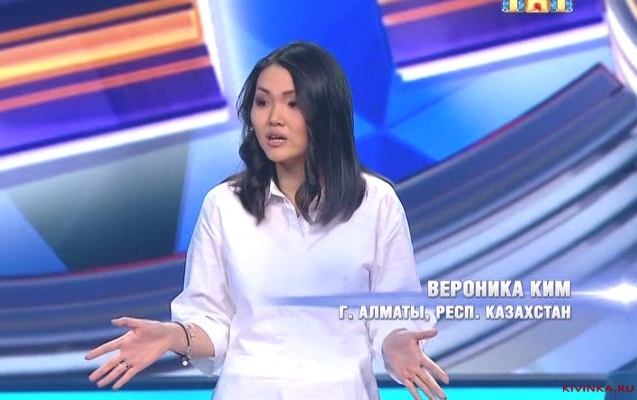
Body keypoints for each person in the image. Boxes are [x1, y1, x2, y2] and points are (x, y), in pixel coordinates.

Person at [85, 41, 448, 400]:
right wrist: (172, 336)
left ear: (326, 111)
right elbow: (211, 320)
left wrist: (397, 342)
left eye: (293, 103)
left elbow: (394, 313)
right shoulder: (224, 205)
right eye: (262, 102)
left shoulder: (375, 203)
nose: (274, 117)